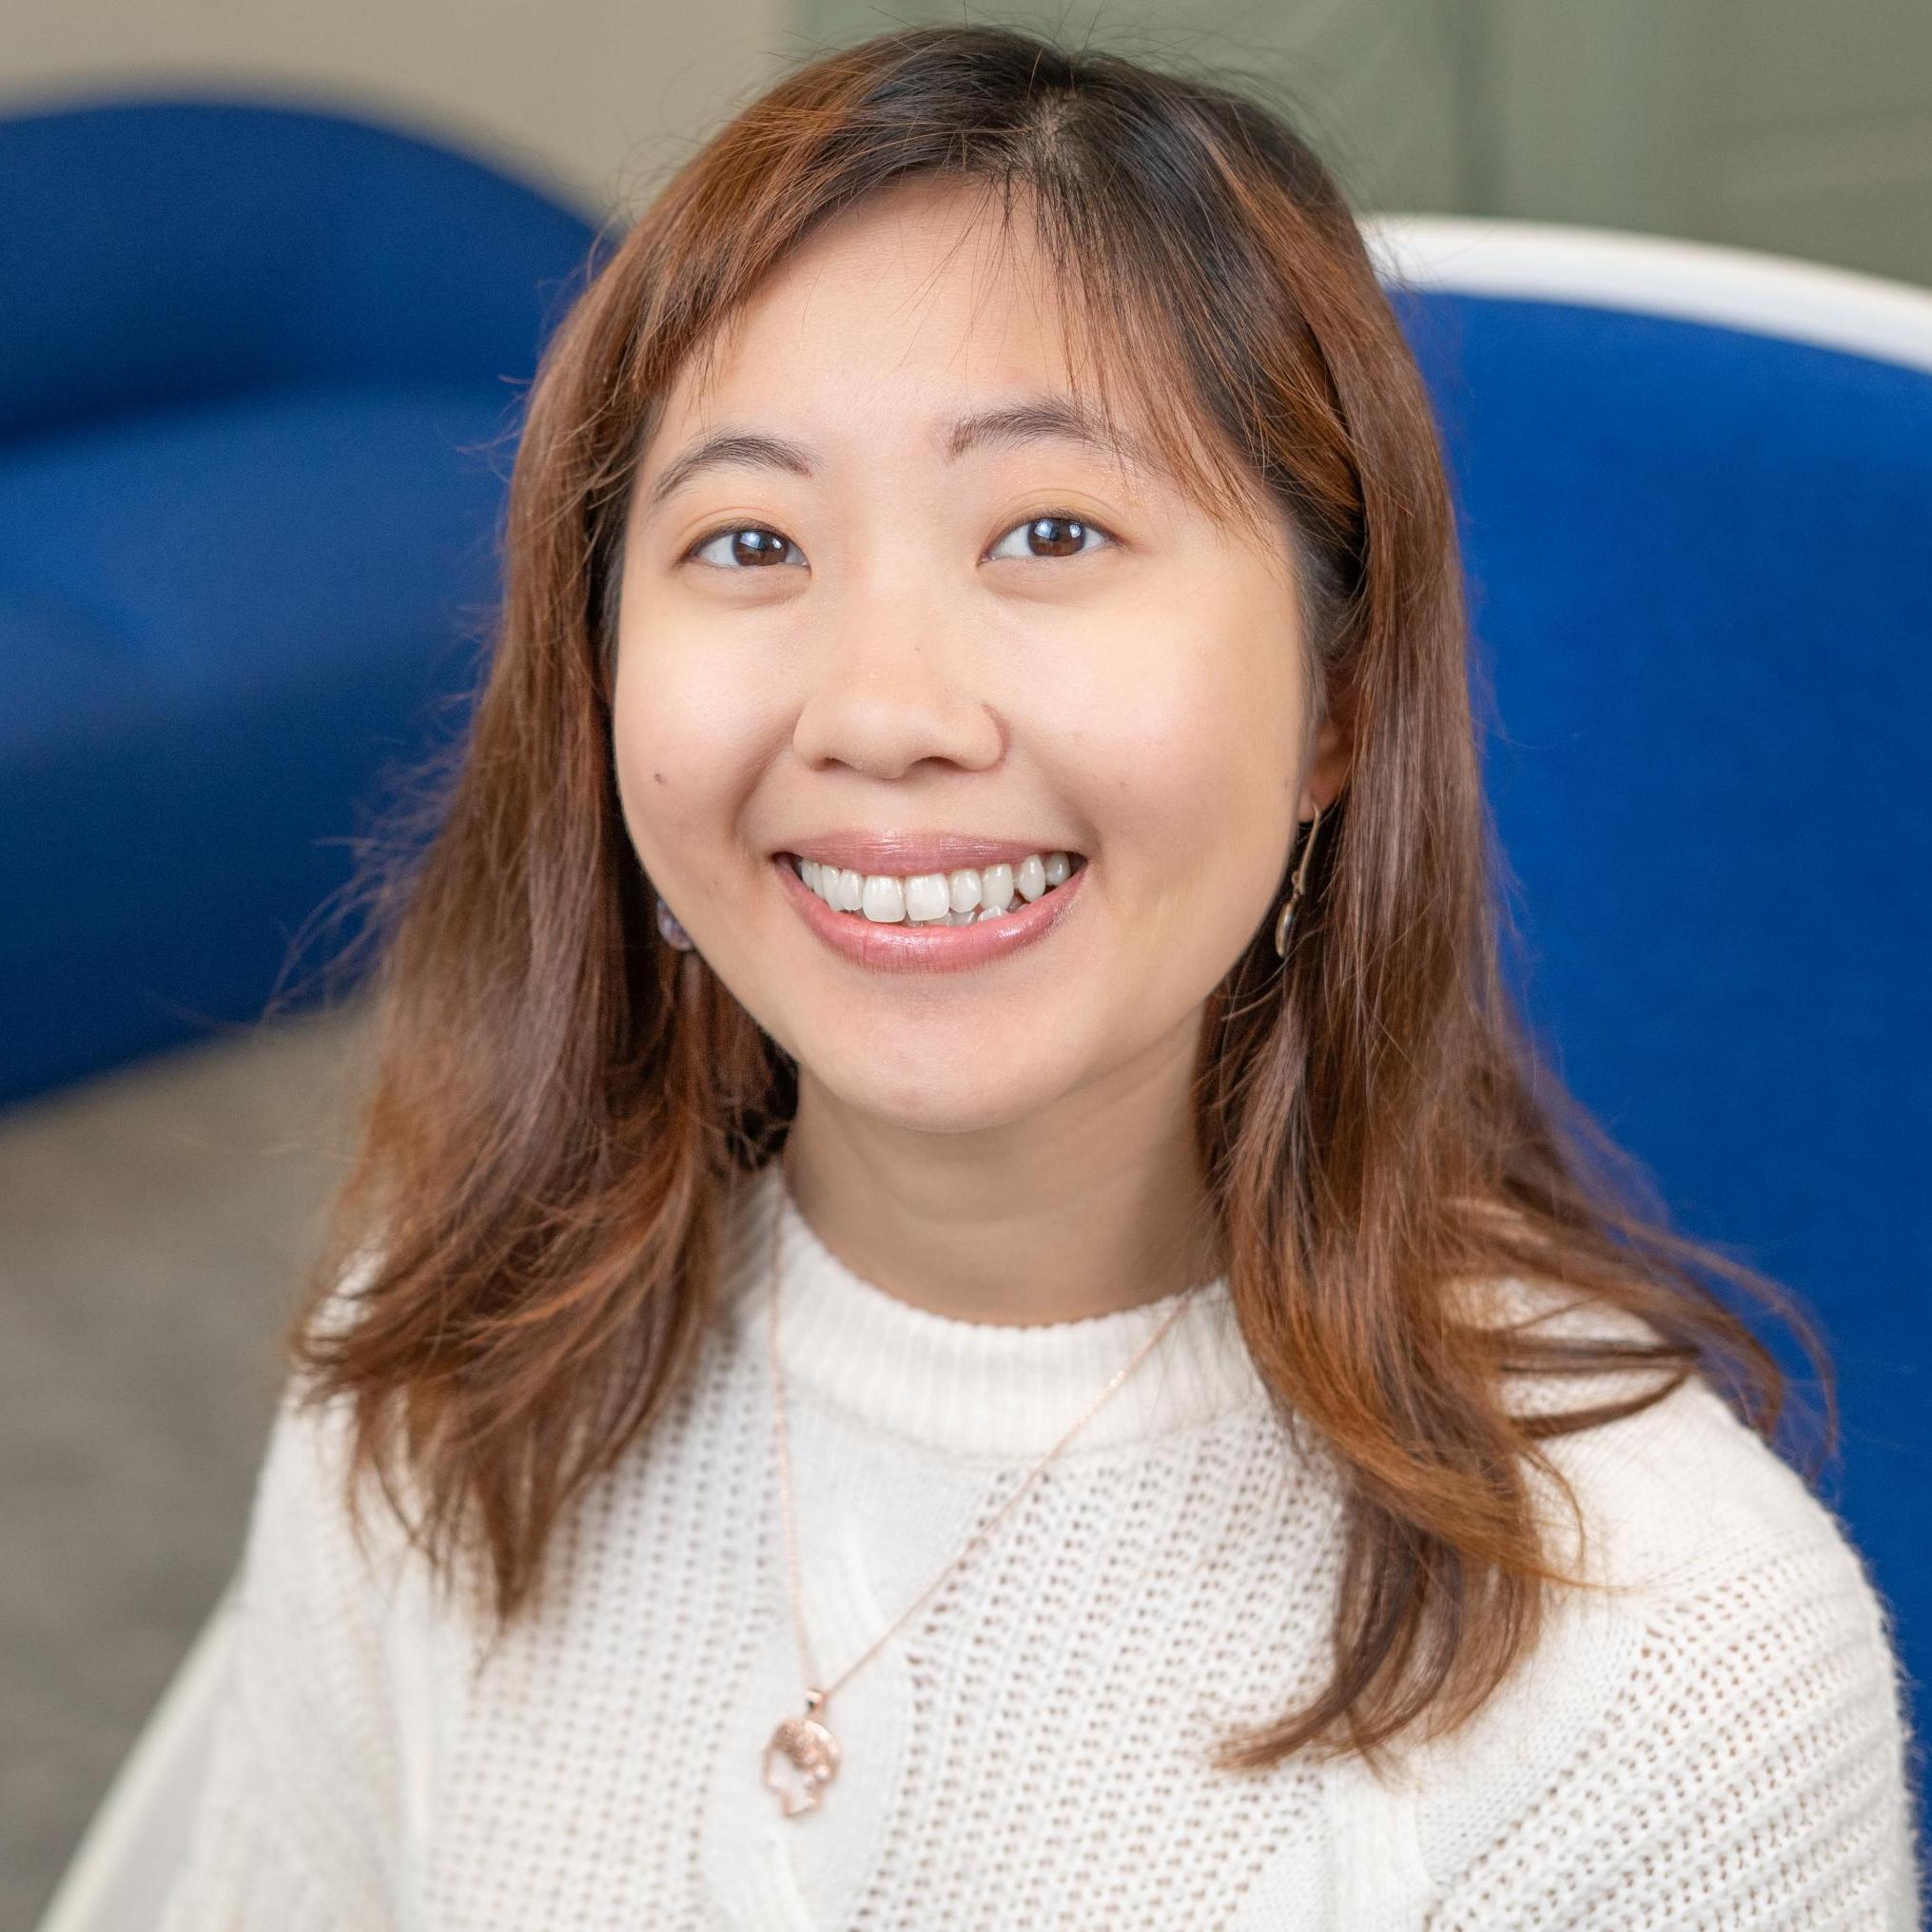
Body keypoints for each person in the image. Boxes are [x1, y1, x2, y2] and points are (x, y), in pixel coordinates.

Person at [158, 22, 1922, 1928]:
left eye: (1051, 529)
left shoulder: (1670, 1673)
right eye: (747, 540)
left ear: (1335, 700)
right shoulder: (444, 1356)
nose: (885, 709)